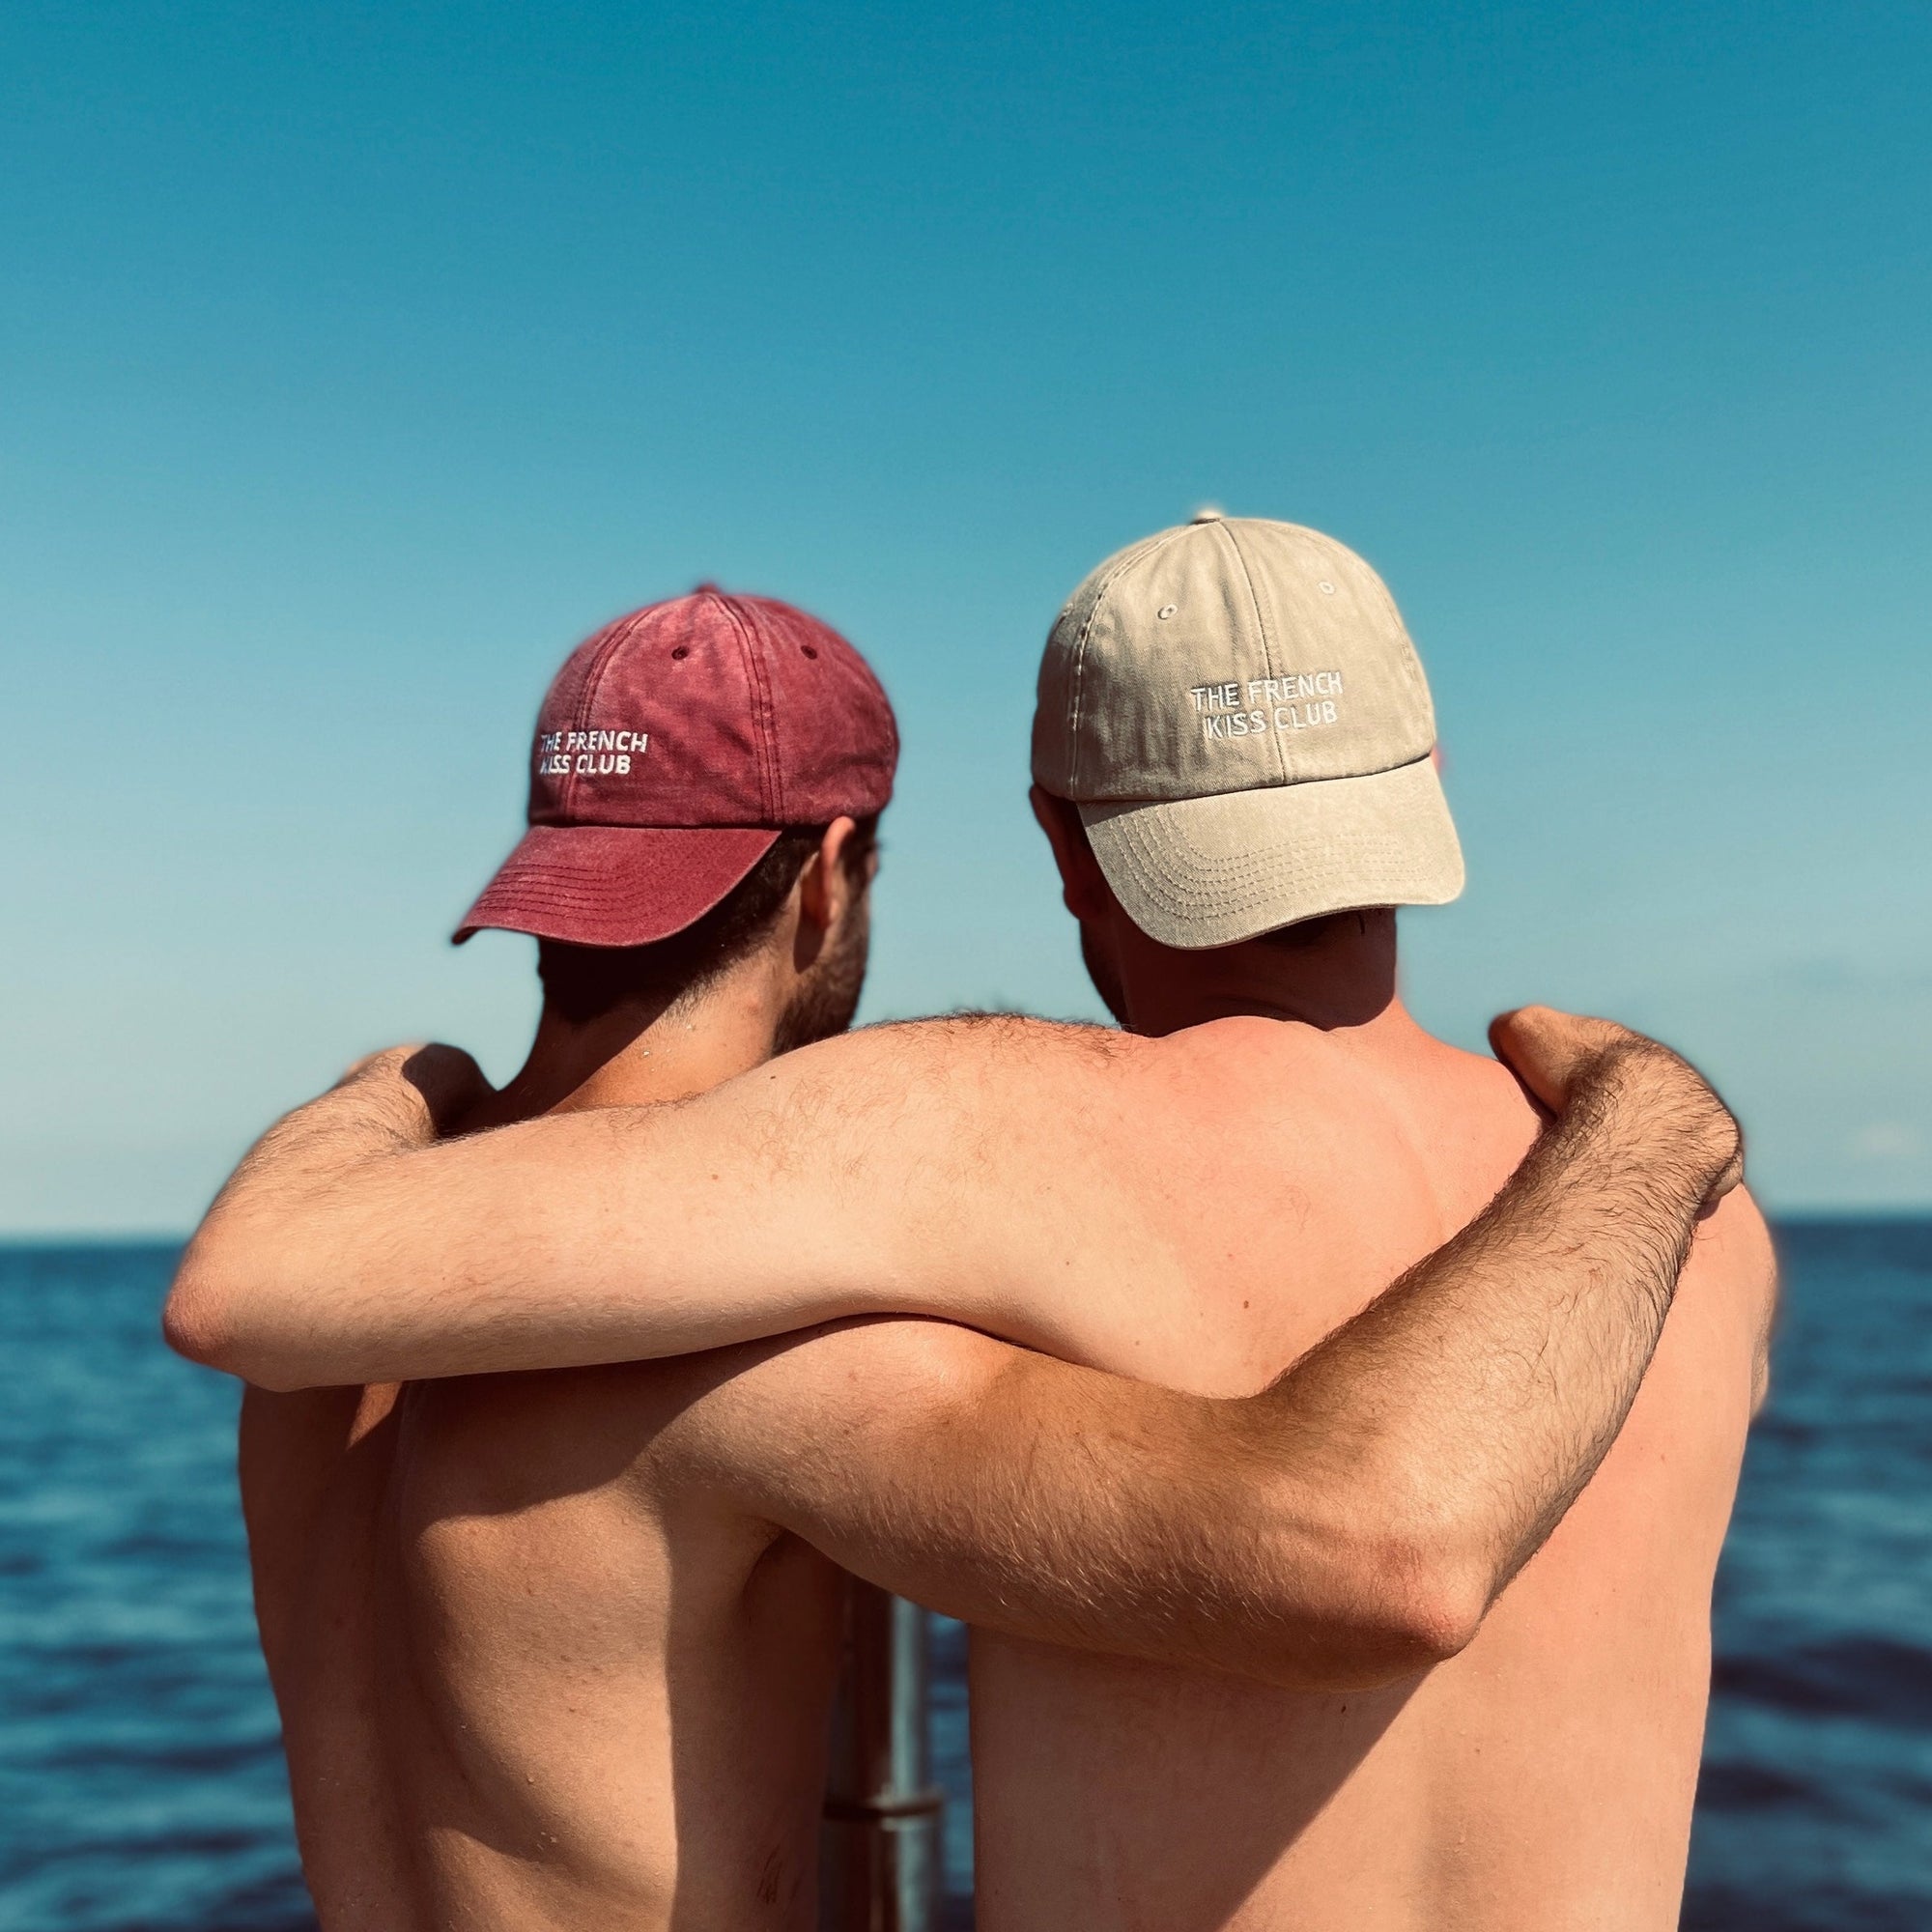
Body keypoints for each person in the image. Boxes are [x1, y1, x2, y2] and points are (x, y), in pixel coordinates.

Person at [169, 537, 1767, 1931]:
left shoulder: (340, 1356)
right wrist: (1656, 1120)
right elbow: (1360, 1544)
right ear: (831, 877)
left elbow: (268, 1272)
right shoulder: (1706, 1232)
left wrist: (402, 1084)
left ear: (1066, 840)